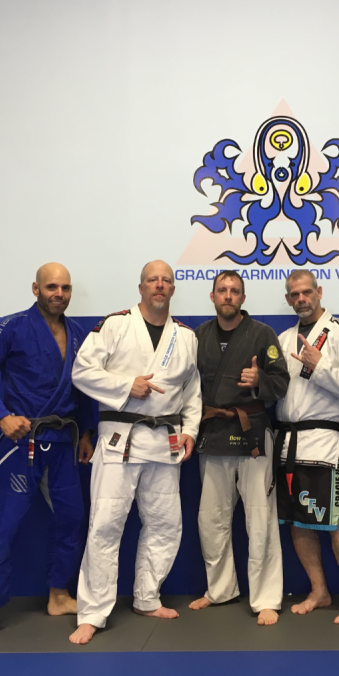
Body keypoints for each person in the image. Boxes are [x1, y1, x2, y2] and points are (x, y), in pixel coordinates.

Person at [69, 260, 201, 644]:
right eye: (152, 280)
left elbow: (192, 390)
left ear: (172, 289)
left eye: (166, 280)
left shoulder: (185, 336)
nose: (159, 285)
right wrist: (127, 386)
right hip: (119, 440)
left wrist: (191, 430)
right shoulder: (115, 325)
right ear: (140, 287)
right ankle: (92, 613)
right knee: (105, 525)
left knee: (165, 524)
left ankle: (147, 597)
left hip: (165, 442)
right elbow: (82, 371)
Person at [0, 263, 94, 648]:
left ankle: (58, 595)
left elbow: (84, 388)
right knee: (5, 526)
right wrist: (1, 416)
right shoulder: (10, 326)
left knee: (72, 520)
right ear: (35, 289)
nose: (58, 294)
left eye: (65, 288)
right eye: (51, 287)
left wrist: (87, 431)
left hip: (63, 441)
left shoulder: (78, 333)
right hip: (21, 441)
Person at [189, 270, 289, 625]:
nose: (228, 295)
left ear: (243, 298)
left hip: (253, 435)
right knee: (211, 519)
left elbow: (282, 382)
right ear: (212, 296)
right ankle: (220, 589)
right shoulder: (198, 336)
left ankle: (266, 598)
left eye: (234, 291)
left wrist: (260, 379)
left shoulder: (262, 334)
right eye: (222, 290)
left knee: (260, 518)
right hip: (213, 433)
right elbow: (186, 386)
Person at [275, 269, 339, 624]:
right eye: (294, 294)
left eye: (306, 292)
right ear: (288, 299)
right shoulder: (284, 338)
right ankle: (319, 590)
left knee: (336, 520)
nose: (301, 299)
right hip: (288, 440)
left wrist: (319, 366)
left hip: (324, 440)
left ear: (319, 292)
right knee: (297, 520)